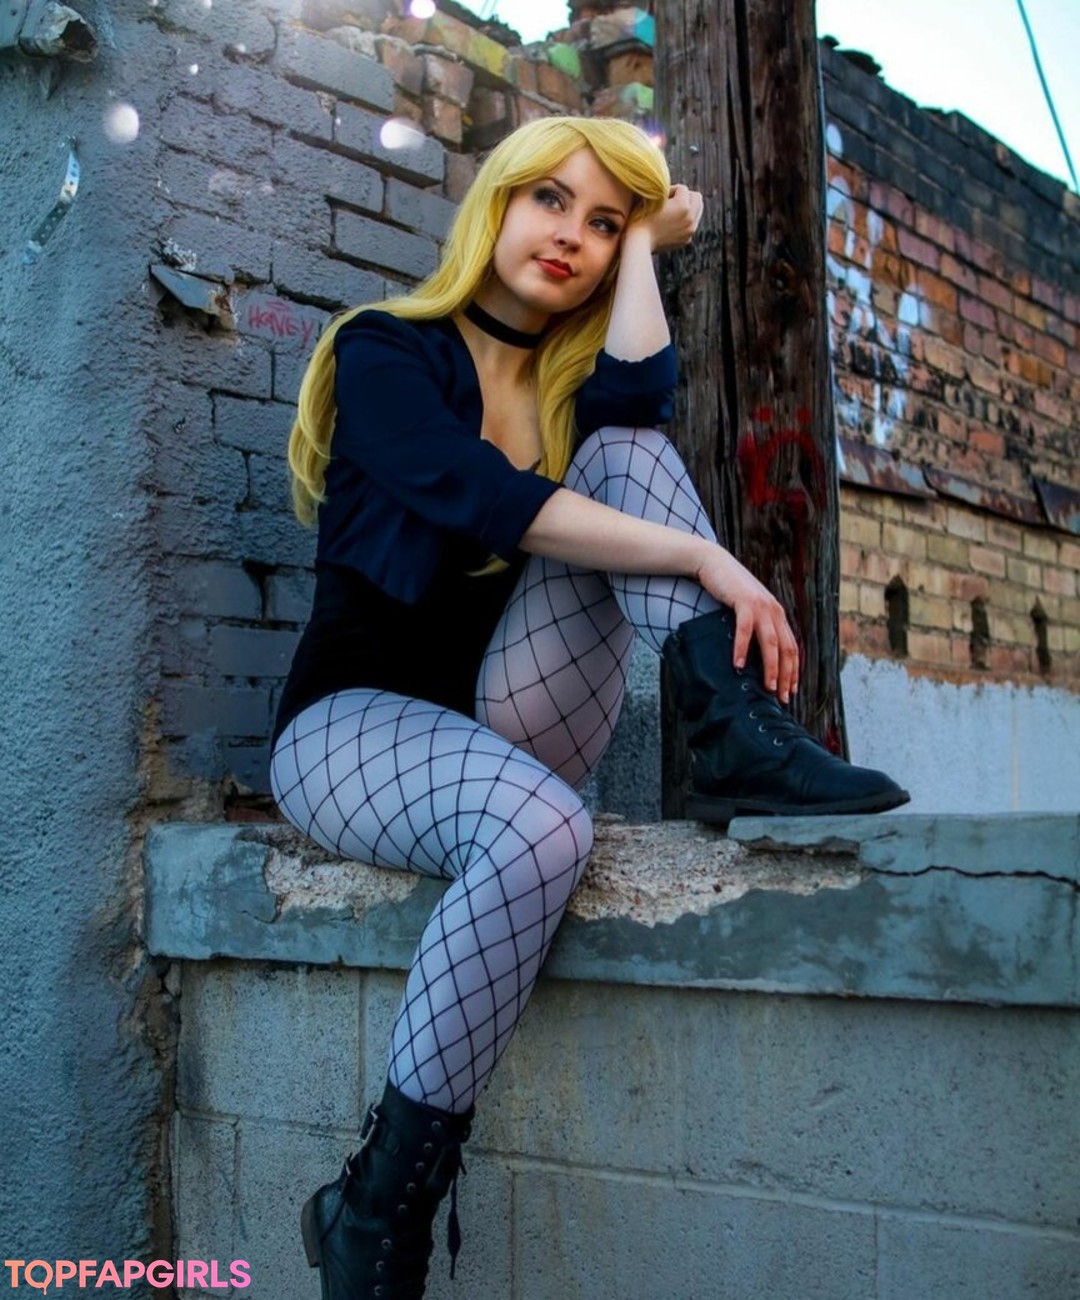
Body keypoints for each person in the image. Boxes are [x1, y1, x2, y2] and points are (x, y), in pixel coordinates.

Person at [270, 114, 908, 1300]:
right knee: (543, 828)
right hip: (352, 728)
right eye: (550, 200)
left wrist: (649, 248)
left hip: (506, 720)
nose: (571, 234)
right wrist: (708, 558)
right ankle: (376, 1207)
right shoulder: (384, 350)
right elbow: (479, 496)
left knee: (629, 449)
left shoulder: (573, 395)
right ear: (498, 203)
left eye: (603, 222)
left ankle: (731, 732)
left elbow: (641, 392)